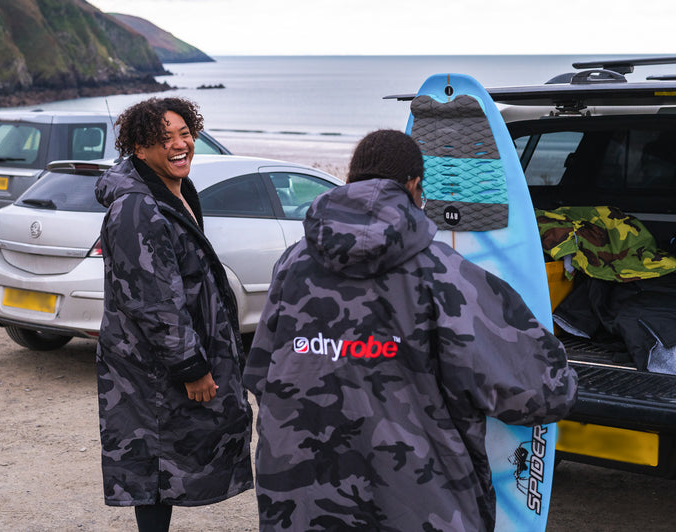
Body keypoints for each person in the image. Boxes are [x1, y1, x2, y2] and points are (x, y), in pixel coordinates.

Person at [242, 129, 578, 531]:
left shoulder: (291, 263)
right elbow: (540, 393)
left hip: (298, 501)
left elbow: (261, 373)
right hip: (418, 505)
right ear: (415, 185)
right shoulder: (446, 274)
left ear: (351, 180)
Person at [94, 97, 253, 531]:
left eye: (185, 133)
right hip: (148, 369)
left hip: (161, 363)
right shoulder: (136, 207)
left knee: (164, 462)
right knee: (153, 462)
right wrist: (191, 365)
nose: (180, 144)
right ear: (139, 150)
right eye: (165, 139)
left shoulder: (174, 192)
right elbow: (154, 299)